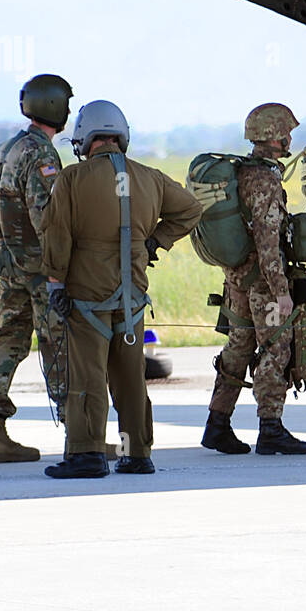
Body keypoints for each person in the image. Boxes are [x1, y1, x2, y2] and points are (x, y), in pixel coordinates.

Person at [41, 100, 201, 478]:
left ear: (84, 138)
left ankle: (87, 455)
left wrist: (55, 284)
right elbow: (191, 209)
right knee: (131, 380)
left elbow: (56, 236)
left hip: (86, 299)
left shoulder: (72, 180)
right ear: (121, 136)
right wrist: (154, 242)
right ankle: (137, 454)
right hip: (131, 301)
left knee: (88, 377)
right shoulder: (150, 177)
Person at [200, 103, 306, 456]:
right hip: (263, 283)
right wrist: (281, 291)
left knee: (237, 349)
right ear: (275, 136)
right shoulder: (265, 178)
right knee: (275, 350)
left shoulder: (241, 172)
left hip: (236, 281)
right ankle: (271, 428)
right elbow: (268, 240)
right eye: (287, 133)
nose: (290, 138)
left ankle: (217, 424)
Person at [0, 74, 72, 463]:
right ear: (54, 107)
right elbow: (46, 218)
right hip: (38, 270)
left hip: (9, 266)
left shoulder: (5, 148)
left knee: (8, 342)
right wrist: (58, 273)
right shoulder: (42, 155)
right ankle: (78, 435)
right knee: (58, 344)